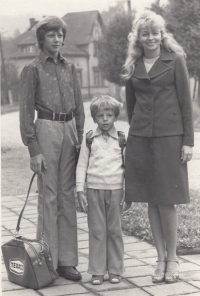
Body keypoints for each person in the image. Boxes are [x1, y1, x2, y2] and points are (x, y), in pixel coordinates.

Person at [122, 11, 194, 284]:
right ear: (138, 38)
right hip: (141, 138)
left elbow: (186, 104)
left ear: (162, 34)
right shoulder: (133, 65)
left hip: (170, 137)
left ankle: (173, 258)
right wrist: (137, 132)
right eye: (145, 33)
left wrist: (188, 141)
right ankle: (160, 258)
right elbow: (131, 106)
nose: (150, 37)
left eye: (155, 32)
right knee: (151, 199)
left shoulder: (175, 61)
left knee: (167, 199)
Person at [20, 16, 85, 281]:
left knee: (67, 195)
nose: (57, 39)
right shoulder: (32, 69)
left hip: (69, 129)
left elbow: (79, 106)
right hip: (45, 128)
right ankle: (46, 260)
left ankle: (67, 261)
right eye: (51, 35)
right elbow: (26, 114)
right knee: (48, 196)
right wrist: (33, 149)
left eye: (60, 35)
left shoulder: (70, 67)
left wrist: (80, 138)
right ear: (41, 39)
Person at [76, 95, 125, 285]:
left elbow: (127, 168)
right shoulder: (89, 139)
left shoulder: (121, 139)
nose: (105, 119)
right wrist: (80, 190)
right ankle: (97, 271)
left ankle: (115, 270)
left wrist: (128, 192)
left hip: (116, 190)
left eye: (109, 115)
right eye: (100, 116)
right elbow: (81, 165)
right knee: (97, 230)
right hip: (94, 190)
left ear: (115, 117)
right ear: (94, 118)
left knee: (114, 230)